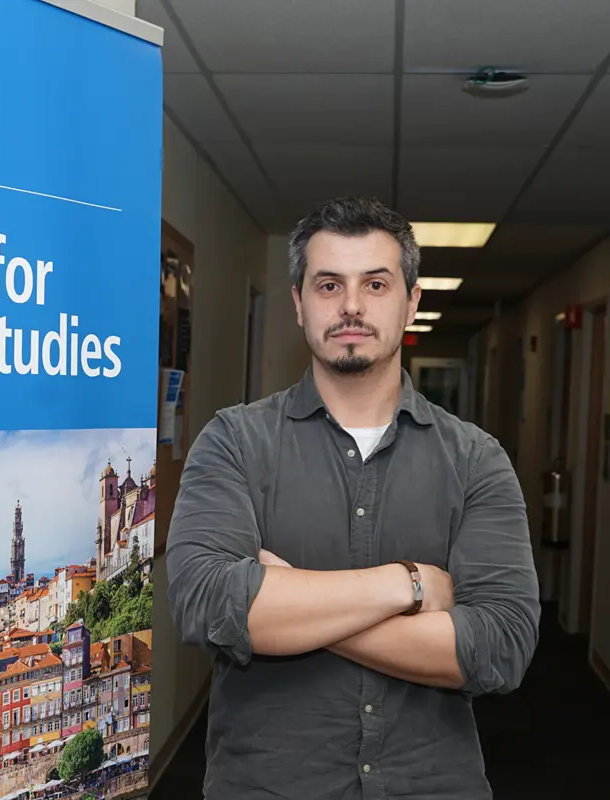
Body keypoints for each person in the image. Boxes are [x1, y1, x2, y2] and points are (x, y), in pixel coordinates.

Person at [166, 196, 541, 799]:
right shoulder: (234, 441)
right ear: (298, 303)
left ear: (411, 301)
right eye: (328, 285)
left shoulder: (477, 460)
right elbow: (206, 602)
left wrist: (288, 602)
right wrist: (407, 585)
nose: (351, 306)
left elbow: (499, 645)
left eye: (376, 283)